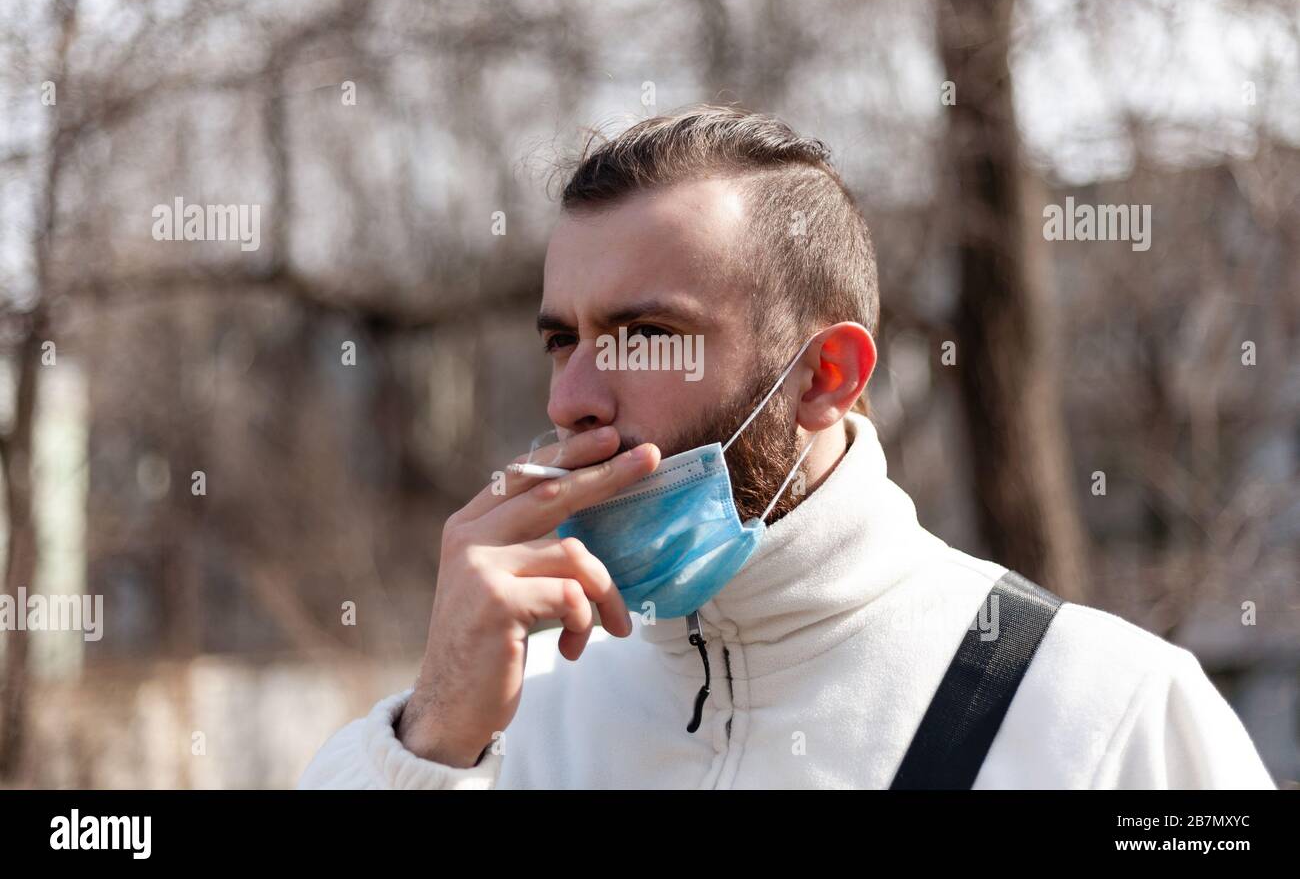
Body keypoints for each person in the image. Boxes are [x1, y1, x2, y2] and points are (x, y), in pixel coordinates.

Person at [298, 105, 1274, 789]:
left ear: (826, 375)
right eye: (563, 339)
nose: (572, 396)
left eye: (643, 336)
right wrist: (425, 748)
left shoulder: (1104, 713)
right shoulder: (500, 727)